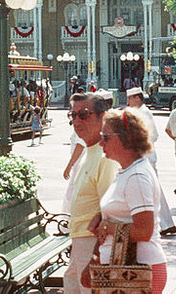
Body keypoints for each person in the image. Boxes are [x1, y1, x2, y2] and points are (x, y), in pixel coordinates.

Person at [89, 109, 168, 294]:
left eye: (106, 137)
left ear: (127, 138)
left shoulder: (137, 176)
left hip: (138, 272)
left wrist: (108, 227)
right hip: (126, 273)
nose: (101, 143)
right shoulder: (129, 171)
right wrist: (101, 217)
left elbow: (144, 231)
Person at [63, 93, 119, 294]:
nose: (77, 121)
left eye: (84, 115)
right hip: (79, 240)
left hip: (92, 243)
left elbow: (109, 213)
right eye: (73, 115)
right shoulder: (90, 151)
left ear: (102, 117)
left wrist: (95, 258)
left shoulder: (105, 157)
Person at [127, 87, 176, 237]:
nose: (128, 102)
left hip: (146, 156)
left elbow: (153, 136)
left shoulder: (144, 113)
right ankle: (165, 224)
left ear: (137, 98)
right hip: (143, 156)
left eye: (130, 99)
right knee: (153, 191)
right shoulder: (140, 112)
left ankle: (165, 224)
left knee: (153, 192)